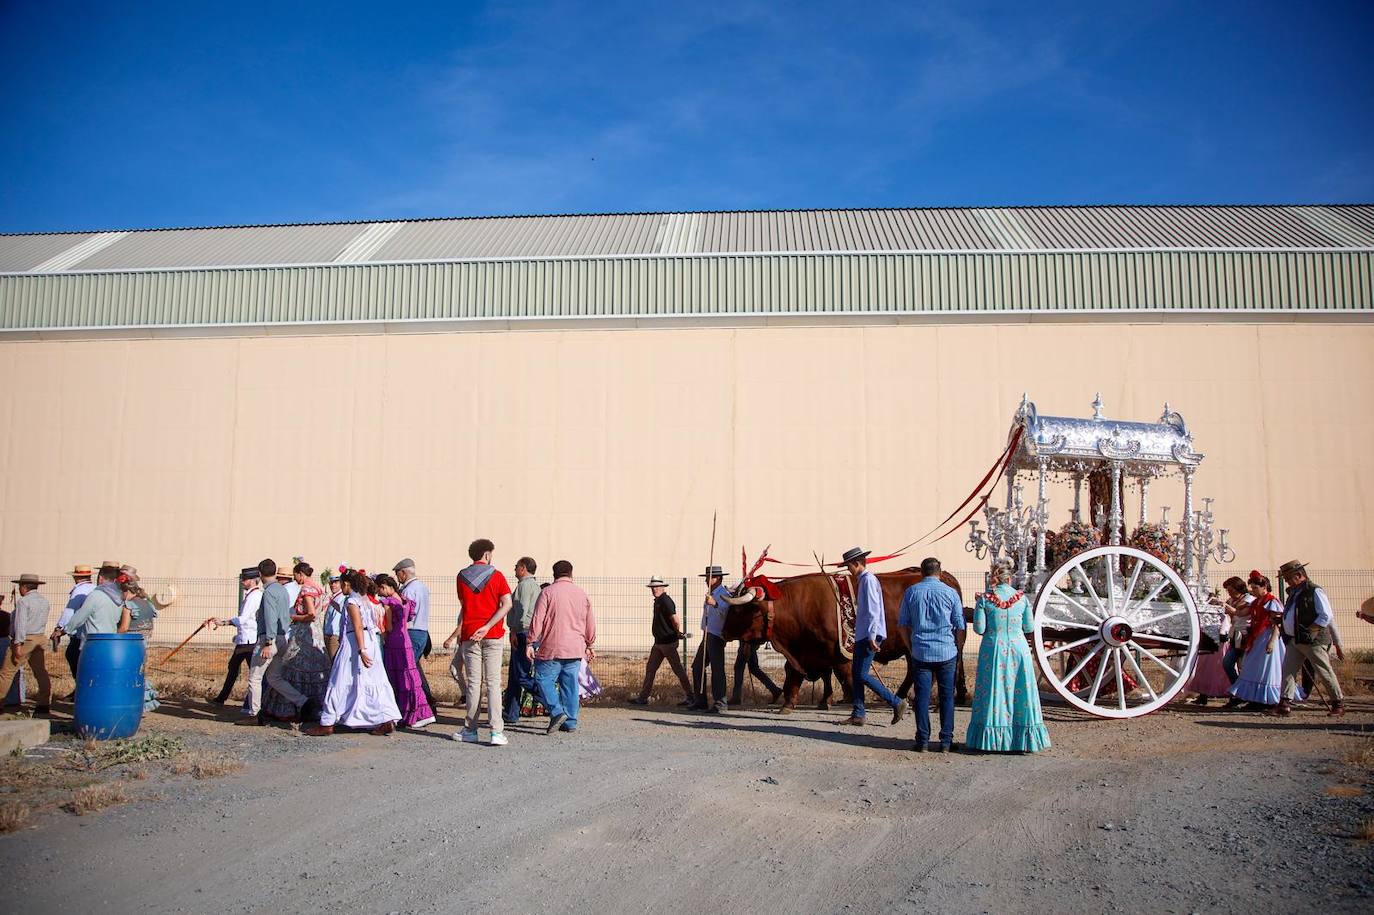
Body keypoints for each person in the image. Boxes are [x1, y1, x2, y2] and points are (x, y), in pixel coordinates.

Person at [965, 559, 1050, 753]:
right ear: (1009, 579)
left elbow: (979, 628)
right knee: (1020, 690)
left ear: (993, 577)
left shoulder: (985, 599)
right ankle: (1022, 739)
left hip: (993, 648)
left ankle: (992, 740)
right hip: (1018, 648)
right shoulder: (1022, 598)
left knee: (994, 690)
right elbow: (1029, 627)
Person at [307, 568, 401, 736]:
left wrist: (361, 649)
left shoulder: (352, 601)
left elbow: (357, 625)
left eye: (341, 583)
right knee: (374, 678)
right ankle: (385, 718)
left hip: (356, 641)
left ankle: (328, 722)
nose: (340, 586)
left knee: (340, 678)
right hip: (369, 640)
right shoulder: (367, 601)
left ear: (347, 584)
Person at [446, 538, 513, 746]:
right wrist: (488, 625)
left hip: (469, 635)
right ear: (487, 554)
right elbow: (507, 604)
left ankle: (470, 729)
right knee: (493, 683)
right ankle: (496, 732)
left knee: (474, 684)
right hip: (492, 633)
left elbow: (465, 606)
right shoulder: (497, 575)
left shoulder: (461, 577)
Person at [897, 557, 966, 752]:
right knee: (946, 697)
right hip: (946, 651)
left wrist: (910, 646)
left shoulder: (911, 592)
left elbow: (902, 625)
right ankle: (945, 741)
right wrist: (957, 646)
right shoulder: (951, 593)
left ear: (921, 572)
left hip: (920, 651)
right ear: (940, 572)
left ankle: (923, 740)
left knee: (922, 697)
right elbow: (960, 625)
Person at [839, 547, 908, 727]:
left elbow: (873, 611)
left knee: (861, 675)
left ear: (857, 564)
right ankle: (858, 713)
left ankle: (896, 702)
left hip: (868, 634)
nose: (848, 571)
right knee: (856, 673)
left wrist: (871, 635)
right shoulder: (864, 581)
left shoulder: (868, 581)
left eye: (849, 567)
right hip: (864, 633)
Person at [527, 560, 596, 734]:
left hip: (552, 647)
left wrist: (530, 642)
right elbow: (590, 622)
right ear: (571, 574)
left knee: (543, 679)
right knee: (570, 685)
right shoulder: (582, 594)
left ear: (554, 574)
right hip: (575, 648)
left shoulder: (547, 593)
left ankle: (556, 712)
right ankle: (571, 721)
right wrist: (590, 643)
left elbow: (537, 620)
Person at [1273, 560, 1344, 717]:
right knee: (1288, 671)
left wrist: (1311, 631)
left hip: (1313, 640)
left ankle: (1338, 703)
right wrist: (1282, 620)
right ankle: (1284, 703)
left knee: (1323, 671)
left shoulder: (1314, 590)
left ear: (1299, 575)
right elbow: (1294, 613)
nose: (1286, 581)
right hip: (1294, 639)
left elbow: (1325, 615)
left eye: (1288, 578)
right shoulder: (1294, 592)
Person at [262, 561, 330, 723]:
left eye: (296, 576)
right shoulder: (319, 588)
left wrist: (292, 617)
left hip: (304, 632)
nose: (295, 579)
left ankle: (296, 707)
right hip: (316, 632)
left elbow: (311, 614)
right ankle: (317, 706)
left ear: (301, 574)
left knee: (293, 666)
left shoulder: (307, 589)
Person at [238, 558, 303, 726]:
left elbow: (270, 617)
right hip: (283, 638)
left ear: (260, 574)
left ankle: (254, 714)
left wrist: (268, 642)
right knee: (274, 678)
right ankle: (302, 701)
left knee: (255, 677)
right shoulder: (282, 590)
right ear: (275, 573)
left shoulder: (268, 593)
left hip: (270, 638)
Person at [374, 573, 436, 729]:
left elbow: (387, 627)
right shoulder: (406, 601)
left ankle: (408, 713)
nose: (379, 593)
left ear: (385, 586)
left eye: (379, 589)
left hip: (394, 643)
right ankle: (421, 713)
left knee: (397, 679)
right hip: (405, 641)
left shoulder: (388, 603)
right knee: (411, 678)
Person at [1228, 571, 1285, 710]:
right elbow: (1240, 613)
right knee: (1253, 668)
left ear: (1264, 586)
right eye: (1252, 588)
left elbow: (1277, 623)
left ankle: (1268, 700)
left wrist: (1272, 641)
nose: (1253, 591)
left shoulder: (1271, 601)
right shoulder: (1255, 602)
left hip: (1267, 637)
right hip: (1256, 638)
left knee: (1266, 669)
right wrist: (1226, 607)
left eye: (1255, 588)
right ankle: (1255, 699)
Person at [632, 576, 693, 705]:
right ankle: (643, 698)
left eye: (656, 587)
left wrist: (676, 632)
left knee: (678, 670)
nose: (654, 589)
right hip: (659, 642)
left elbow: (675, 620)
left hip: (667, 643)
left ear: (663, 587)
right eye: (652, 587)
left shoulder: (666, 601)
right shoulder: (658, 601)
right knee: (651, 669)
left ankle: (691, 697)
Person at [209, 568, 262, 705]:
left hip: (248, 640)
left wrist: (224, 622)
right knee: (235, 667)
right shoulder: (252, 595)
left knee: (246, 671)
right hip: (246, 639)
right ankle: (222, 698)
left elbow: (243, 619)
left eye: (244, 579)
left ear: (252, 580)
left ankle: (250, 702)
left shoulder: (253, 596)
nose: (242, 582)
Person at [0, 574, 51, 714]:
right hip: (39, 637)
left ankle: (0, 701)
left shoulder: (24, 602)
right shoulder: (44, 601)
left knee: (7, 672)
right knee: (40, 672)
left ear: (24, 587)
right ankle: (43, 703)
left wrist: (17, 644)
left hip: (25, 639)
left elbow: (21, 624)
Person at [392, 558, 436, 714]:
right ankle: (428, 702)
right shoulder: (422, 587)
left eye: (398, 574)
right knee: (414, 669)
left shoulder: (409, 590)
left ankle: (416, 706)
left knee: (407, 671)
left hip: (411, 632)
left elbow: (407, 613)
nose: (398, 578)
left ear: (403, 572)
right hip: (422, 631)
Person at [503, 556, 540, 723]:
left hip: (522, 633)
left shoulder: (525, 586)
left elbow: (522, 610)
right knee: (514, 675)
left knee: (522, 675)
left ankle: (552, 703)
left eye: (516, 566)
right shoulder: (535, 586)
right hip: (528, 632)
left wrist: (514, 630)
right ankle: (511, 712)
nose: (515, 569)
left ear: (523, 568)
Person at [1185, 589, 1235, 706]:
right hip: (1210, 645)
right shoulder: (1208, 615)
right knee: (1204, 671)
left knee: (1214, 671)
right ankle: (1203, 695)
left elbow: (1224, 631)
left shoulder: (1221, 615)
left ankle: (1224, 693)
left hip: (1217, 647)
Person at [51, 564, 95, 685]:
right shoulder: (94, 588)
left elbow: (70, 611)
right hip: (91, 630)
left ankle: (80, 686)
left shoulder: (79, 590)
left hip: (78, 631)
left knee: (73, 655)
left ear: (76, 577)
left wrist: (60, 627)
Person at [1218, 576, 1252, 707]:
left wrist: (1227, 607)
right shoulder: (1231, 600)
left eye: (1231, 590)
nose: (1229, 593)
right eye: (1228, 590)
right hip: (1235, 634)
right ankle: (1239, 691)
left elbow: (1241, 613)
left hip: (1245, 635)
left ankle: (1243, 694)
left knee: (1243, 666)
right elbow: (1231, 616)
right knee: (1227, 663)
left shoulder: (1248, 599)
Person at [322, 572, 345, 661]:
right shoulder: (334, 597)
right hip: (329, 635)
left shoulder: (342, 597)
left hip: (334, 636)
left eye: (336, 582)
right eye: (331, 583)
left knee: (334, 662)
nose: (333, 585)